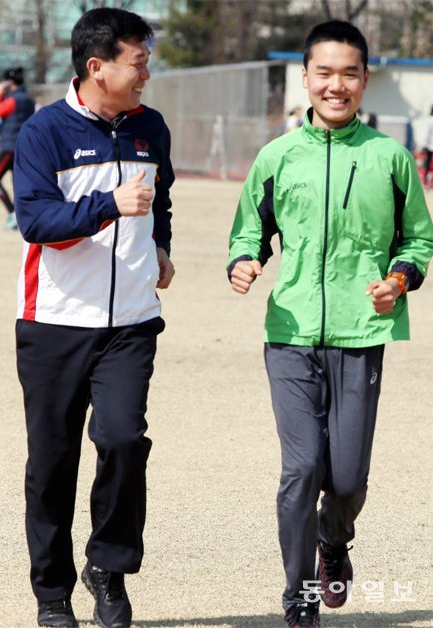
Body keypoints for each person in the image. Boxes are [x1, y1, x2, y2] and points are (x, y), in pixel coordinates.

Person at [228, 20, 433, 628]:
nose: (336, 85)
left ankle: (334, 540)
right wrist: (245, 260)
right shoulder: (276, 156)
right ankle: (299, 596)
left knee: (345, 477)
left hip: (361, 334)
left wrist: (397, 280)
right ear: (306, 78)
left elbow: (418, 242)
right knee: (302, 467)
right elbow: (248, 229)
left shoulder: (391, 160)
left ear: (365, 80)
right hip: (289, 333)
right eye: (325, 72)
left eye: (349, 73)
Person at [13, 8, 175, 628]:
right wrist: (109, 204)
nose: (146, 75)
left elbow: (160, 196)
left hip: (131, 323)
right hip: (54, 323)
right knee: (51, 462)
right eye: (139, 63)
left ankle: (108, 566)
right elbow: (36, 222)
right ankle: (52, 594)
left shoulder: (150, 128)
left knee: (123, 441)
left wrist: (159, 242)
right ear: (96, 67)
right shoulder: (43, 132)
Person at [0, 66, 35, 229]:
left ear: (8, 83)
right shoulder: (28, 99)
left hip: (9, 147)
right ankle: (21, 216)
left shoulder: (12, 100)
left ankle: (12, 213)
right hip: (24, 147)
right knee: (18, 185)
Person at [421, 104, 433, 186]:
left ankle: (426, 182)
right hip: (430, 145)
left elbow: (426, 134)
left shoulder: (430, 120)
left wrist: (424, 144)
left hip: (430, 146)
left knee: (427, 164)